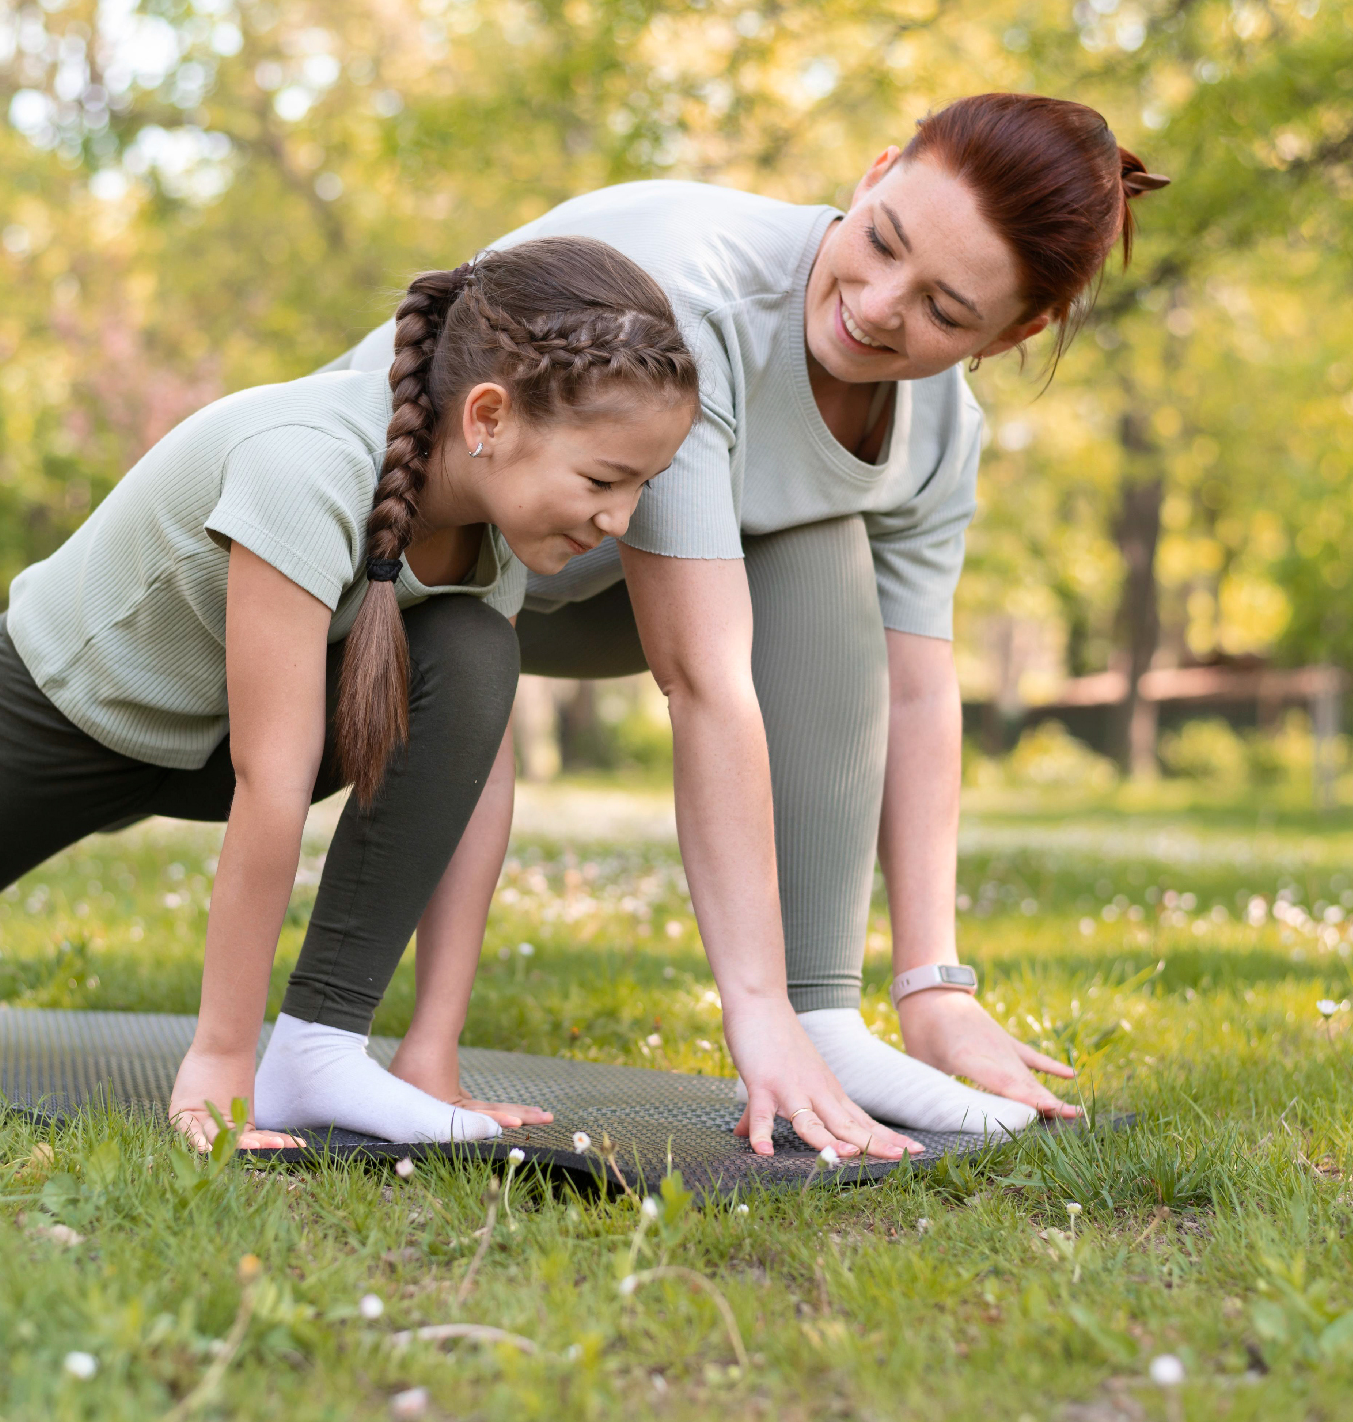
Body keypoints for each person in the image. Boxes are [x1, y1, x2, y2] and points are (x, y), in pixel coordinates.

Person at [0, 236, 761, 1154]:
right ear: (488, 417)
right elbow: (279, 788)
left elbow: (469, 778)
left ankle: (321, 1051)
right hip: (65, 709)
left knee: (482, 663)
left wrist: (425, 1047)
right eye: (608, 477)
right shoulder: (306, 470)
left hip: (205, 737)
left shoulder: (488, 526)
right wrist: (218, 1062)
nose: (621, 521)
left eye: (642, 488)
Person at [326, 93, 1168, 1149]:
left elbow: (912, 691)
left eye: (947, 313)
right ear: (872, 172)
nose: (878, 306)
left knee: (818, 538)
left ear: (1017, 331)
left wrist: (934, 986)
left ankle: (831, 1012)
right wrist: (749, 1015)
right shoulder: (704, 296)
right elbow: (705, 679)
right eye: (882, 241)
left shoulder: (941, 430)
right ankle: (791, 1014)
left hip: (552, 592)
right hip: (356, 574)